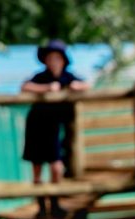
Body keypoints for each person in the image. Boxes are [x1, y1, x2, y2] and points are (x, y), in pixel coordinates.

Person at [21, 40, 89, 190]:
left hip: (54, 126)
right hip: (36, 124)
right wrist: (47, 88)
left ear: (63, 60)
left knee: (56, 166)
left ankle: (55, 201)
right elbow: (25, 86)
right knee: (37, 165)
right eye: (50, 58)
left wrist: (76, 86)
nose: (53, 62)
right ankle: (41, 205)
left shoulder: (68, 77)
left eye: (57, 58)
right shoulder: (41, 77)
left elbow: (86, 83)